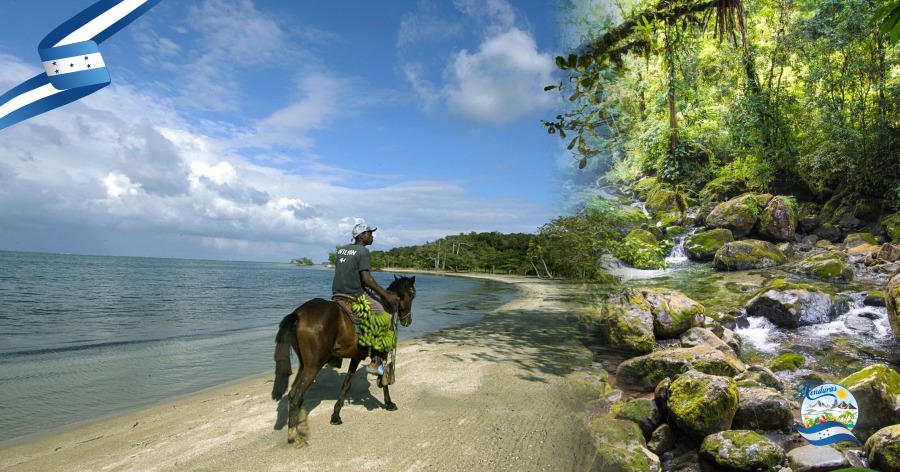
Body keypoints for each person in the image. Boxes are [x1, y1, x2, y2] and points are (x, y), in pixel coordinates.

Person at [332, 222, 399, 375]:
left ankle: (335, 357)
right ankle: (376, 361)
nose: (372, 236)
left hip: (337, 293)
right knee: (384, 314)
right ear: (362, 236)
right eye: (369, 233)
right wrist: (385, 294)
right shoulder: (363, 252)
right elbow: (366, 279)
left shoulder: (341, 250)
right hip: (355, 294)